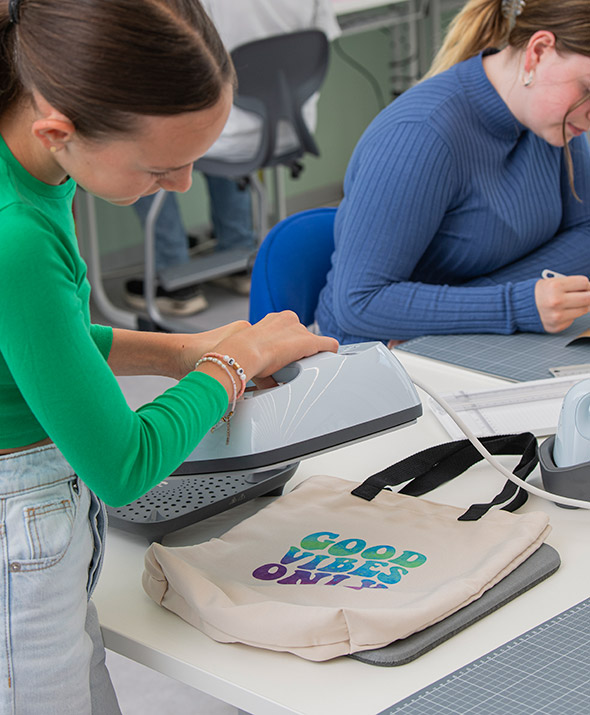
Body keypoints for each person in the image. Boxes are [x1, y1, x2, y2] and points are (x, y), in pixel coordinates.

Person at [0, 1, 338, 712]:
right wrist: (232, 364)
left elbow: (36, 343)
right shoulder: (18, 236)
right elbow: (123, 466)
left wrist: (186, 350)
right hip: (20, 525)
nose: (185, 186)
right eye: (162, 169)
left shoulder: (31, 158)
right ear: (59, 129)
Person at [315, 0, 590, 345]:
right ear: (537, 52)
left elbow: (586, 232)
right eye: (588, 89)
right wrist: (515, 302)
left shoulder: (556, 120)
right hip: (376, 356)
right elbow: (359, 303)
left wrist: (496, 299)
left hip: (468, 338)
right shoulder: (420, 134)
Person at [127, 0, 341, 315]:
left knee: (135, 143)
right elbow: (323, 35)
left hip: (225, 130)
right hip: (290, 124)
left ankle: (175, 280)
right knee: (218, 112)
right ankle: (240, 255)